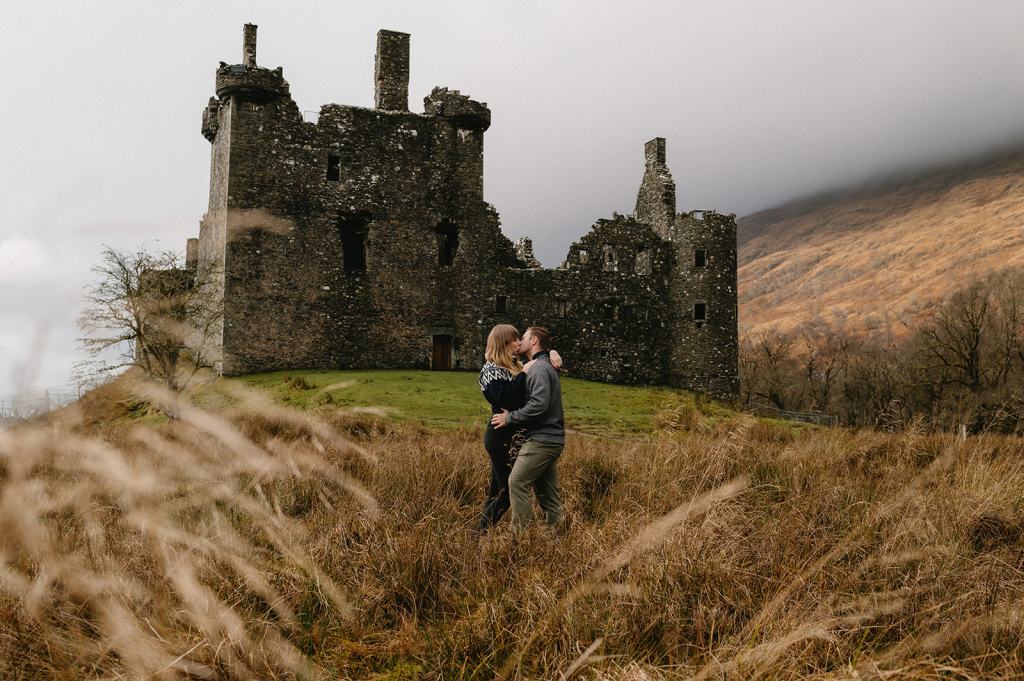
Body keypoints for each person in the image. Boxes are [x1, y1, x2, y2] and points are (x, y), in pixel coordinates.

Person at [477, 325, 561, 530]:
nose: (518, 342)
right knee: (506, 491)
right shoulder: (491, 370)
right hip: (500, 435)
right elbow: (507, 398)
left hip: (517, 435)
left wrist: (550, 353)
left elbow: (540, 372)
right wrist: (524, 372)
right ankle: (481, 533)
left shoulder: (515, 364)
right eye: (514, 339)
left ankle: (481, 534)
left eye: (519, 338)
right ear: (504, 343)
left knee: (499, 491)